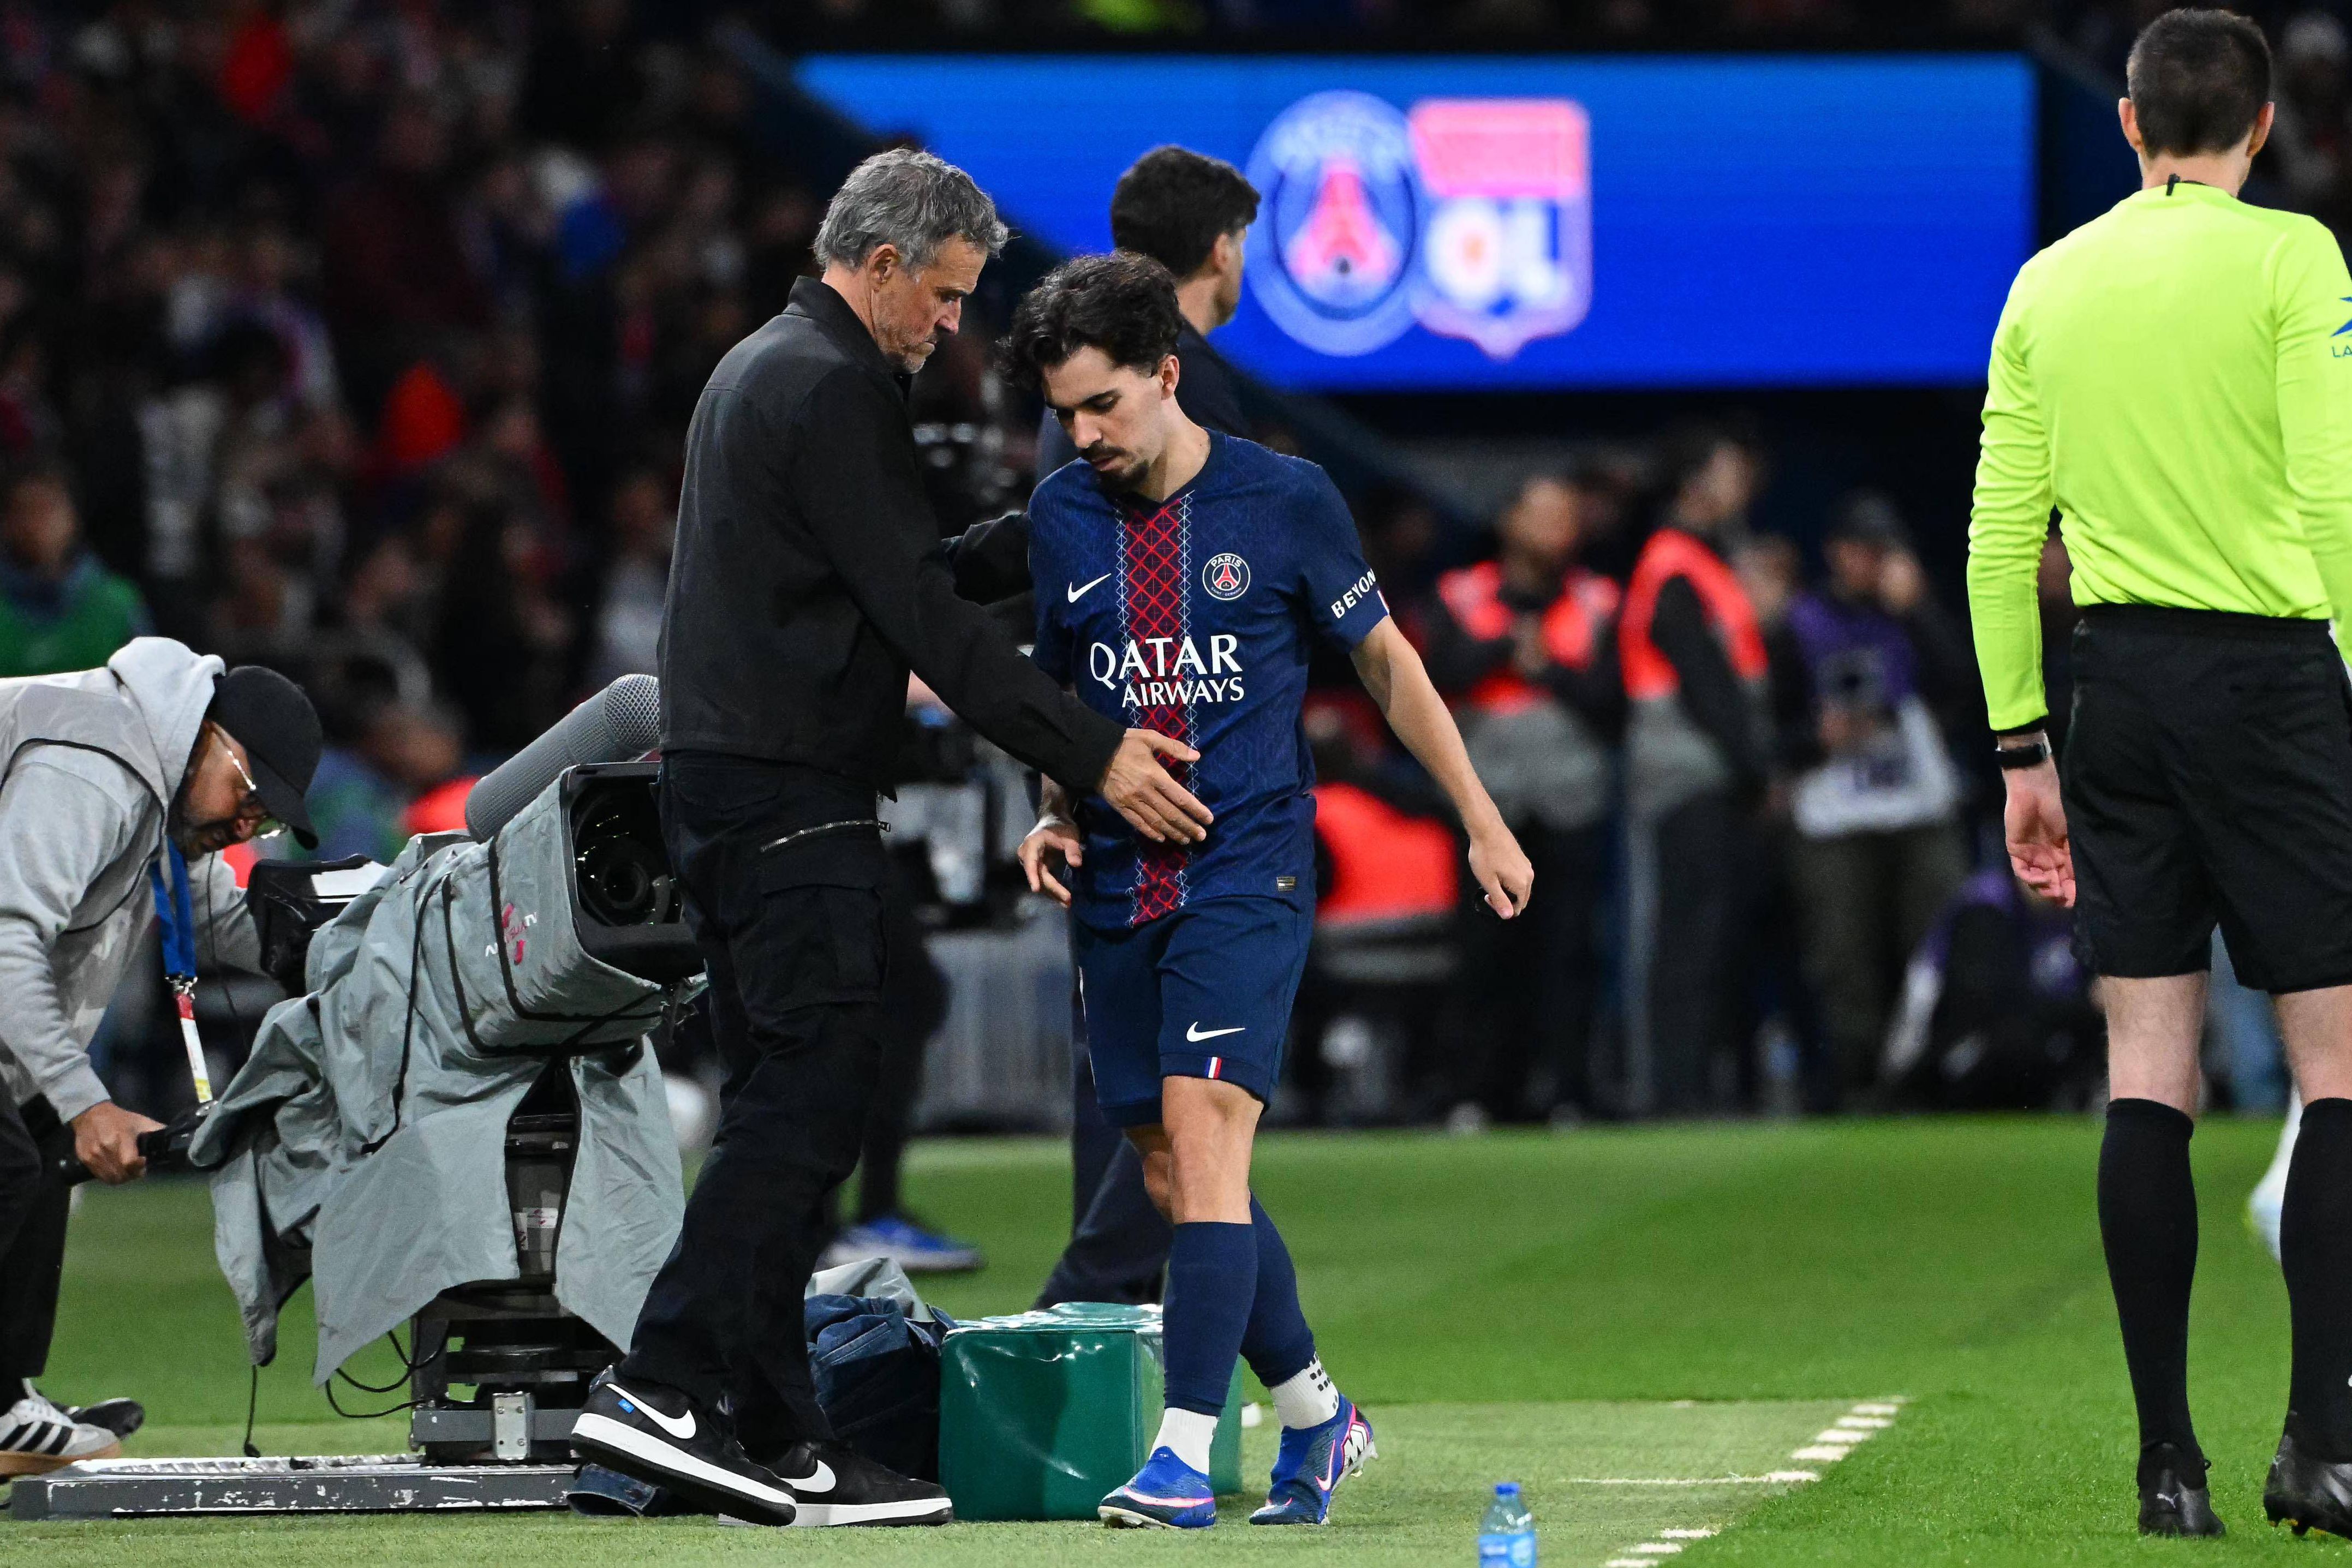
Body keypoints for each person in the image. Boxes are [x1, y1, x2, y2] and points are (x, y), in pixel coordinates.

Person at [566, 149, 1209, 1530]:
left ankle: (774, 1429)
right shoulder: (835, 385)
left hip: (728, 785)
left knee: (786, 1101)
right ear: (878, 270)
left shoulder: (764, 370)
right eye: (945, 296)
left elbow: (880, 579)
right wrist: (1091, 753)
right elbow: (922, 626)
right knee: (813, 1100)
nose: (950, 327)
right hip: (790, 792)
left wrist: (1038, 530)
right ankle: (661, 1381)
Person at [1005, 252, 1532, 1529]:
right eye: (1067, 412)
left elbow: (1390, 664)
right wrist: (1051, 808)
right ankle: (1312, 1412)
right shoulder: (1061, 517)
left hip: (1249, 867)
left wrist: (1478, 815)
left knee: (1203, 1129)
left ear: (1166, 375)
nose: (1084, 435)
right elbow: (1058, 695)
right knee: (1180, 1178)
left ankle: (1183, 1452)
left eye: (1103, 406)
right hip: (1118, 888)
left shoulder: (1284, 500)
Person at [1967, 10, 2352, 1537]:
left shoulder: (2046, 281)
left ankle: (2164, 1463)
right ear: (2260, 130)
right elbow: (2331, 493)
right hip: (2267, 686)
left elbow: (2003, 534)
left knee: (2148, 1073)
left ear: (2125, 126)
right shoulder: (2293, 262)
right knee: (2332, 1069)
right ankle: (2319, 1442)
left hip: (2111, 691)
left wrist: (2016, 748)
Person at [955, 145, 1259, 1313]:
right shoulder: (1182, 403)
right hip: (1175, 782)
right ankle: (1072, 1333)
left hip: (1111, 767)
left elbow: (1061, 613)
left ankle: (1116, 1336)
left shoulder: (1070, 411)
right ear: (1221, 247)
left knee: (1144, 1094)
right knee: (1183, 1109)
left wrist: (1055, 780)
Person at [0, 638, 319, 1475]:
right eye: (251, 794)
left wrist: (369, 946)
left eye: (269, 817)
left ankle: (0, 1403)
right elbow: (5, 939)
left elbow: (233, 924)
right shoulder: (96, 764)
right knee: (10, 1149)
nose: (251, 823)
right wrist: (89, 1101)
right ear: (208, 735)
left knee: (31, 1140)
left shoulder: (162, 785)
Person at [1420, 471, 1622, 1123]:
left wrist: (1548, 670)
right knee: (1485, 952)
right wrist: (1506, 645)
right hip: (1489, 805)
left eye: (1567, 516)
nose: (1556, 529)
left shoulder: (1598, 599)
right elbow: (1435, 678)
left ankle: (1566, 1092)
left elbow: (1612, 702)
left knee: (1569, 952)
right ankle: (1478, 1093)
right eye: (1542, 515)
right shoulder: (1460, 594)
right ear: (1509, 521)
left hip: (1572, 800)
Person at [1772, 494, 1971, 1106]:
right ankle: (1856, 1080)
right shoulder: (1798, 623)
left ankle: (1930, 1075)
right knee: (1843, 956)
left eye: (1884, 553)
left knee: (1935, 944)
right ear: (1835, 553)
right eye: (1863, 552)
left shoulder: (1912, 615)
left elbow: (1968, 686)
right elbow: (1771, 731)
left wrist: (1920, 614)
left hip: (1914, 806)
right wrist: (1816, 737)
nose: (1874, 565)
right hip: (1834, 812)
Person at [1617, 426, 1772, 1115]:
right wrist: (1755, 769)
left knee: (1713, 939)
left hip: (1710, 777)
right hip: (1686, 777)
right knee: (1687, 939)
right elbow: (1708, 687)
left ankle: (1701, 1085)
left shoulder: (1704, 562)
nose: (1740, 484)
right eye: (1727, 469)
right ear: (1694, 482)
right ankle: (1674, 1093)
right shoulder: (1674, 566)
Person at [0, 462, 151, 679]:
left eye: (48, 508)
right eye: (26, 510)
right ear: (7, 523)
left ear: (73, 516)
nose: (39, 523)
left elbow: (148, 693)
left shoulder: (118, 606)